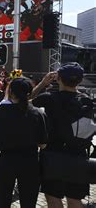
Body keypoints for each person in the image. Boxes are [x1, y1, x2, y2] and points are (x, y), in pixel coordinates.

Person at [31, 63, 93, 207]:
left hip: (53, 155)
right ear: (79, 80)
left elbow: (21, 103)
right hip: (78, 156)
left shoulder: (49, 98)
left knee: (53, 197)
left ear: (57, 78)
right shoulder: (86, 101)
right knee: (74, 199)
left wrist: (42, 84)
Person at [0, 77, 47, 207]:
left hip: (7, 161)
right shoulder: (38, 113)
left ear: (11, 93)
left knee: (3, 202)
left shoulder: (1, 112)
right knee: (28, 202)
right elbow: (43, 144)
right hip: (30, 162)